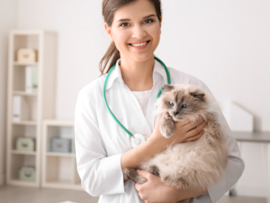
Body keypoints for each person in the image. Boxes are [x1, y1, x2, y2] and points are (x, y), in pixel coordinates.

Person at [74, 0, 245, 202]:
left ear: (160, 23)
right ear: (109, 31)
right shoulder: (91, 97)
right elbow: (91, 179)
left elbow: (233, 163)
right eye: (124, 24)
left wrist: (176, 192)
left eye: (148, 20)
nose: (138, 34)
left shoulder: (190, 86)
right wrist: (157, 143)